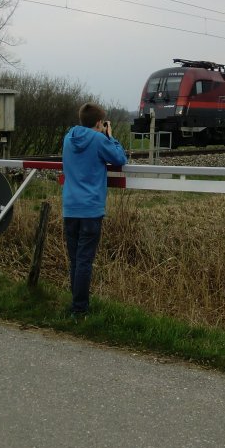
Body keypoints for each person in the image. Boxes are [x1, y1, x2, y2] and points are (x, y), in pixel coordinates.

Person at [61, 102, 127, 319]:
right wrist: (110, 136)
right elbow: (120, 158)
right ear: (100, 122)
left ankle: (75, 304)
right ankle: (80, 309)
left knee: (75, 260)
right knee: (84, 261)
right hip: (90, 209)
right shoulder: (99, 140)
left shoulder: (68, 138)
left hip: (70, 208)